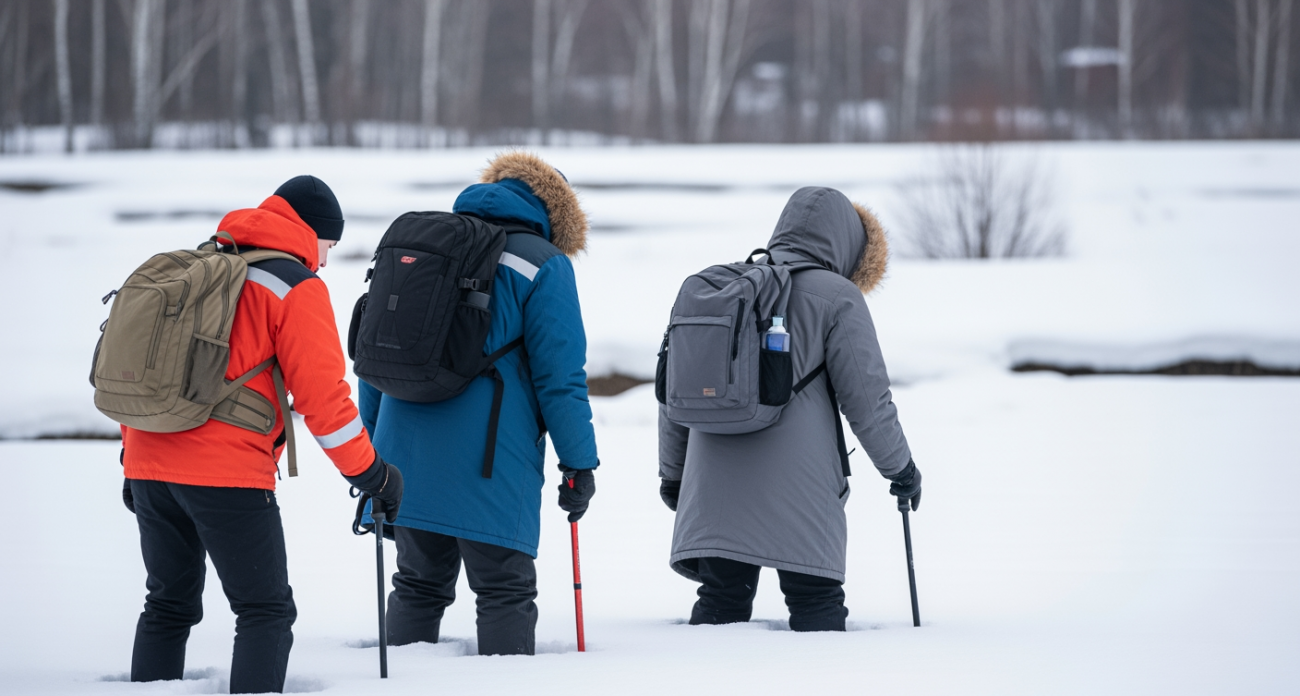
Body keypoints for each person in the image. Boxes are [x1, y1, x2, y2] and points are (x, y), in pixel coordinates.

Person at [120, 176, 404, 694]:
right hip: (227, 473)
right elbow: (324, 401)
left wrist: (133, 461)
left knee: (167, 604)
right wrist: (371, 473)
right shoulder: (293, 285)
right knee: (265, 610)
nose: (325, 259)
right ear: (312, 233)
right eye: (329, 246)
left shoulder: (198, 265)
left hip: (147, 459)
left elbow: (152, 368)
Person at [359, 151, 599, 656]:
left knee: (417, 584)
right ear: (557, 213)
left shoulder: (422, 246)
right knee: (505, 592)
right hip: (490, 462)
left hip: (402, 457)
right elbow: (561, 378)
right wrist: (579, 463)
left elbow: (376, 359)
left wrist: (372, 456)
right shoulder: (544, 263)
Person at [658, 186, 922, 632]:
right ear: (846, 244)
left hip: (713, 488)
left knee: (719, 605)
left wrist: (675, 474)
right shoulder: (837, 296)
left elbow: (673, 395)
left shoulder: (719, 288)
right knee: (816, 607)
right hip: (800, 492)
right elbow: (868, 401)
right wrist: (901, 469)